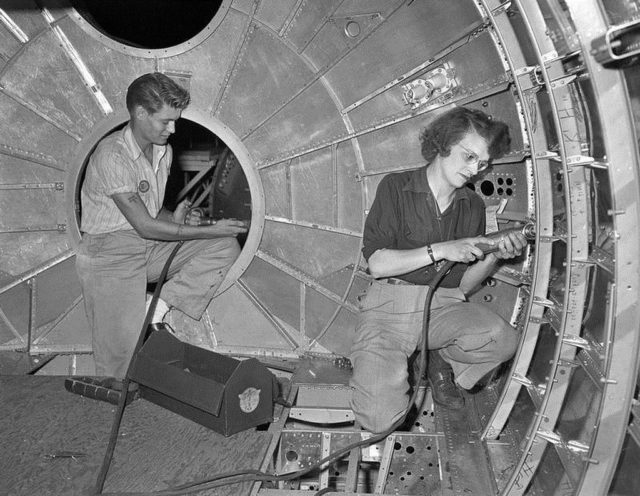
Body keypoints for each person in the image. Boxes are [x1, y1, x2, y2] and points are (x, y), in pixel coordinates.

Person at [349, 106, 527, 433]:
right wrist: (443, 249)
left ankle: (438, 357)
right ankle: (411, 360)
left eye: (483, 163)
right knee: (377, 420)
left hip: (442, 309)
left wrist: (494, 257)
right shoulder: (396, 187)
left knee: (504, 339)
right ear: (444, 144)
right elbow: (377, 263)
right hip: (389, 308)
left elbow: (462, 287)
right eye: (469, 156)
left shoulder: (471, 205)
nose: (475, 170)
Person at [76, 72, 247, 381]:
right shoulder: (112, 155)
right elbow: (143, 225)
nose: (173, 128)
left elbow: (151, 212)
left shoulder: (162, 151)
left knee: (223, 246)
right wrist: (210, 228)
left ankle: (156, 307)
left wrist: (175, 216)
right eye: (166, 120)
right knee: (118, 370)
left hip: (147, 249)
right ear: (141, 113)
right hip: (109, 256)